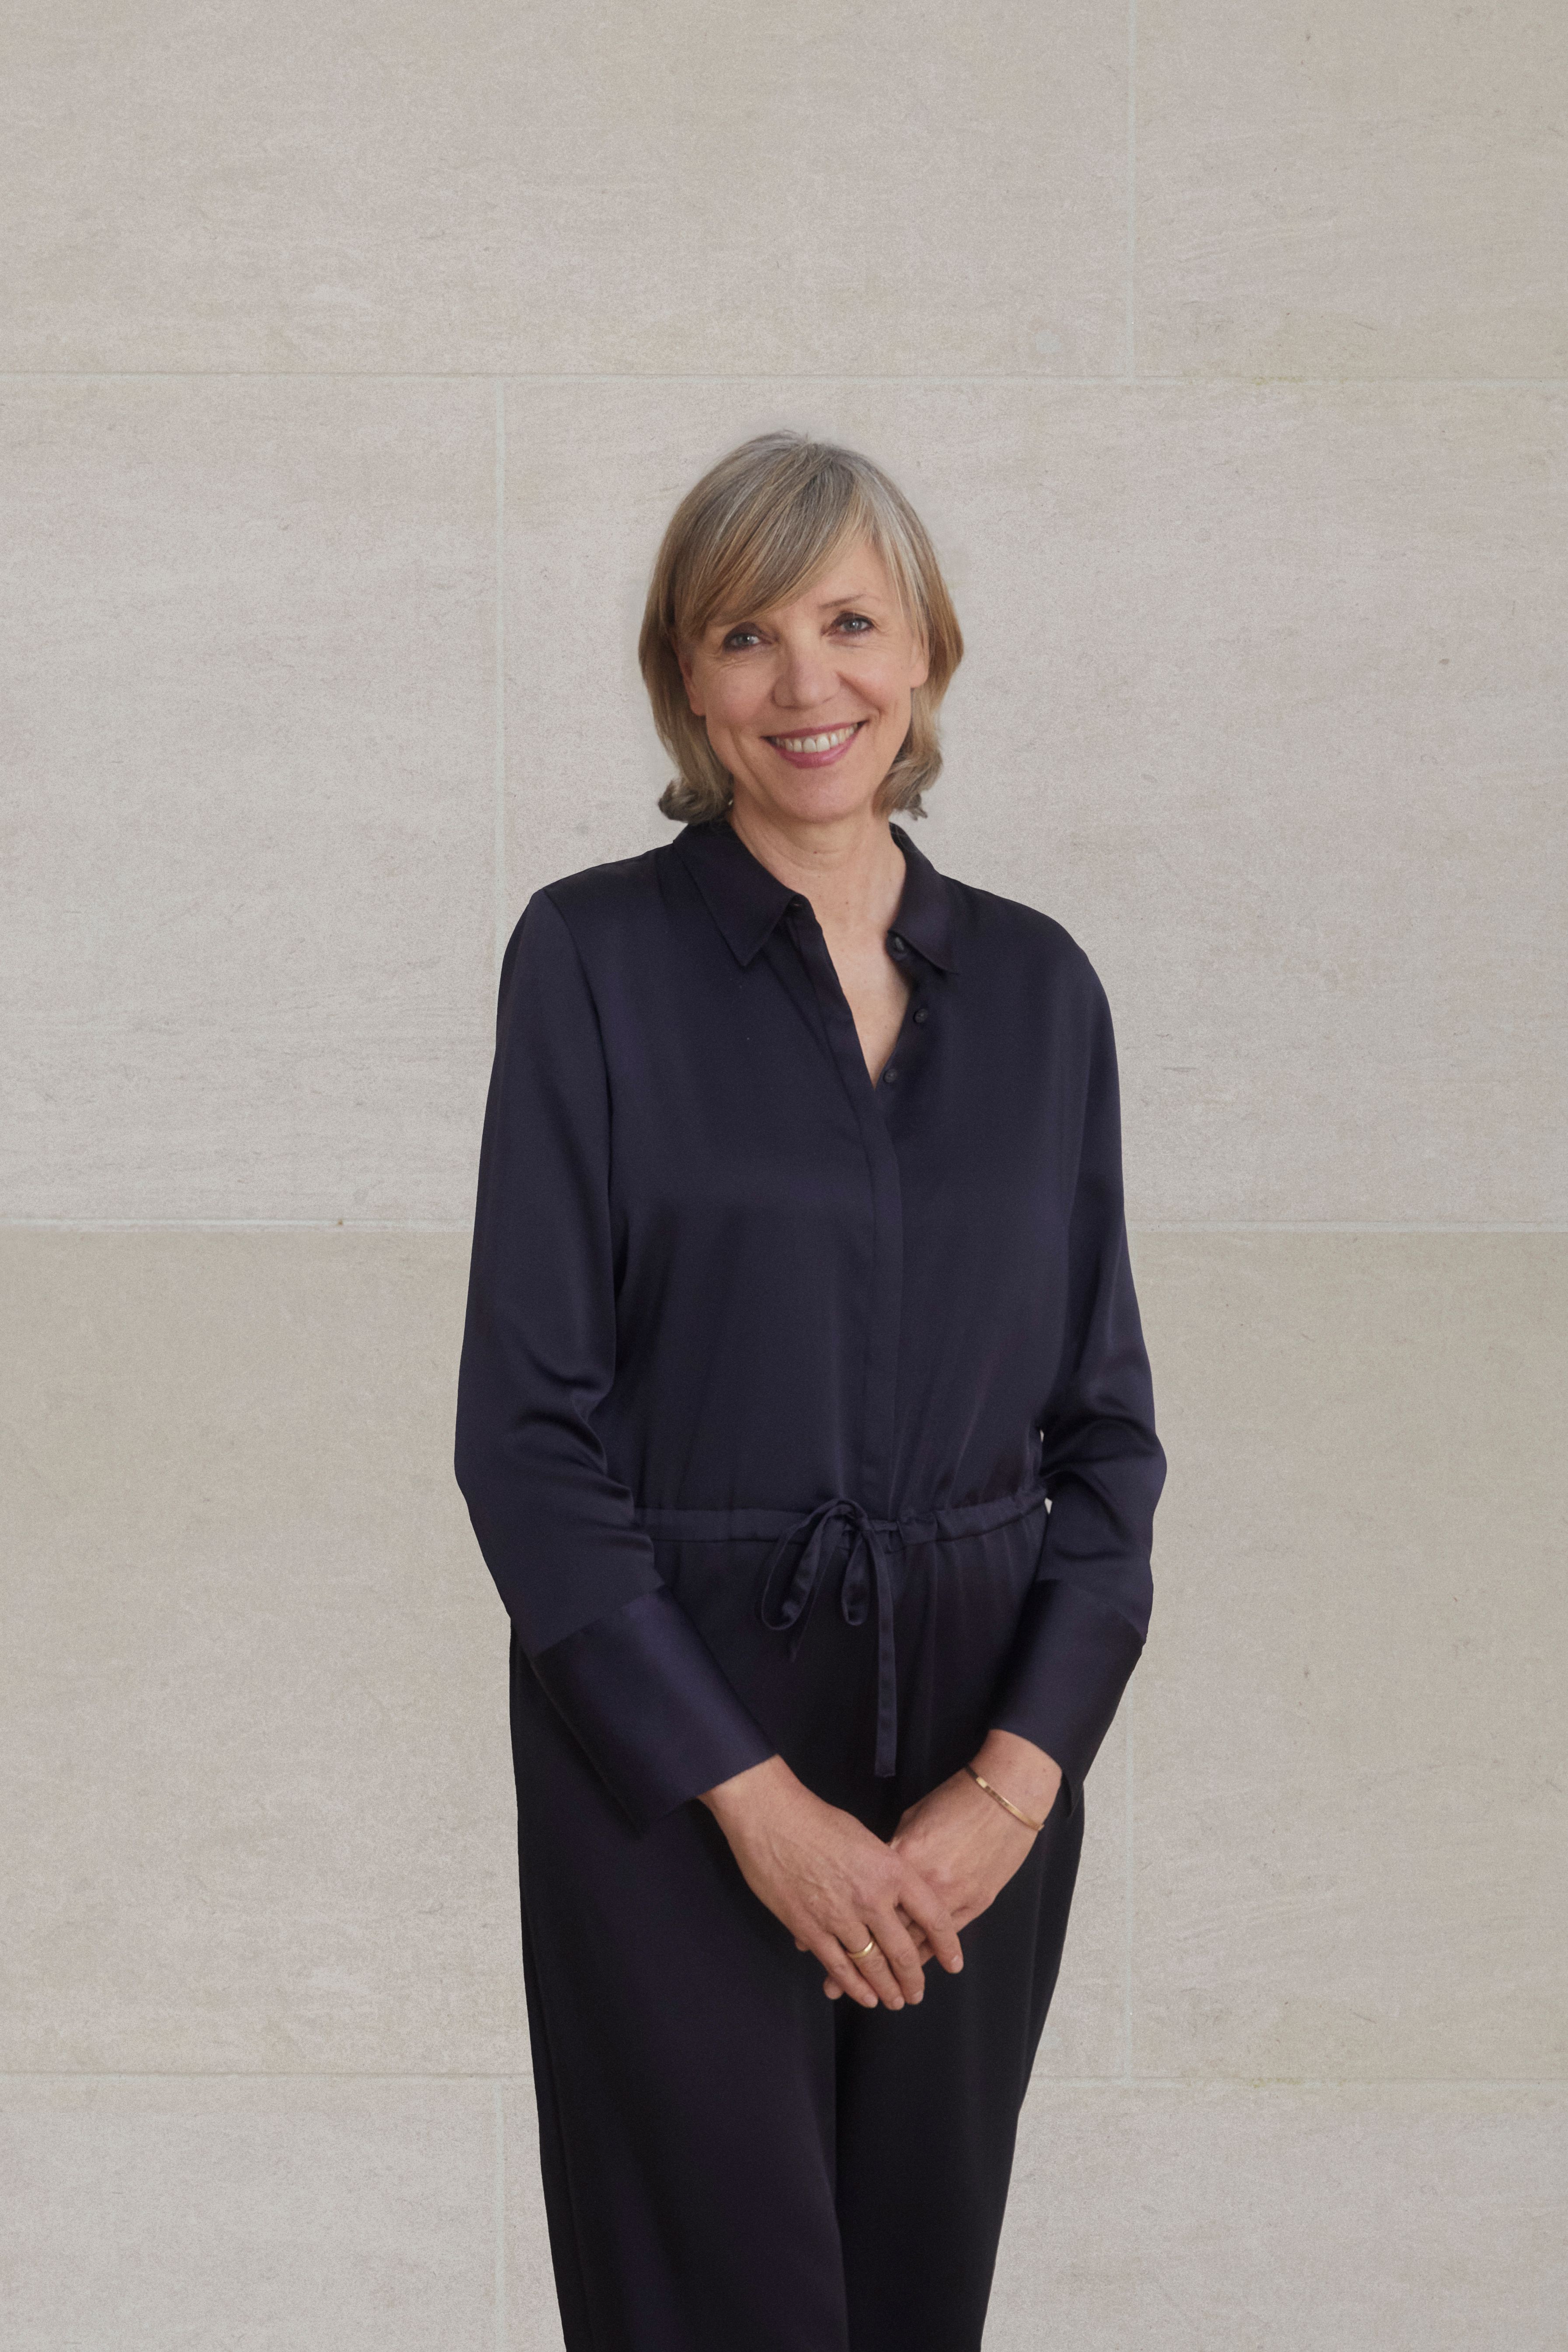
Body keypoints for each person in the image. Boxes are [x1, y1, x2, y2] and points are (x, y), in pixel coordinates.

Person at [454, 429, 1166, 2352]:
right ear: (687, 678)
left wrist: (1014, 1788)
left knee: (913, 2307)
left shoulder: (1038, 994)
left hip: (972, 1748)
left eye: (848, 621)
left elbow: (1105, 1445)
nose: (806, 681)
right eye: (746, 634)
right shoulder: (592, 962)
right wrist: (751, 1805)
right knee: (724, 2306)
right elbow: (525, 1439)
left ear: (924, 648)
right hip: (676, 1750)